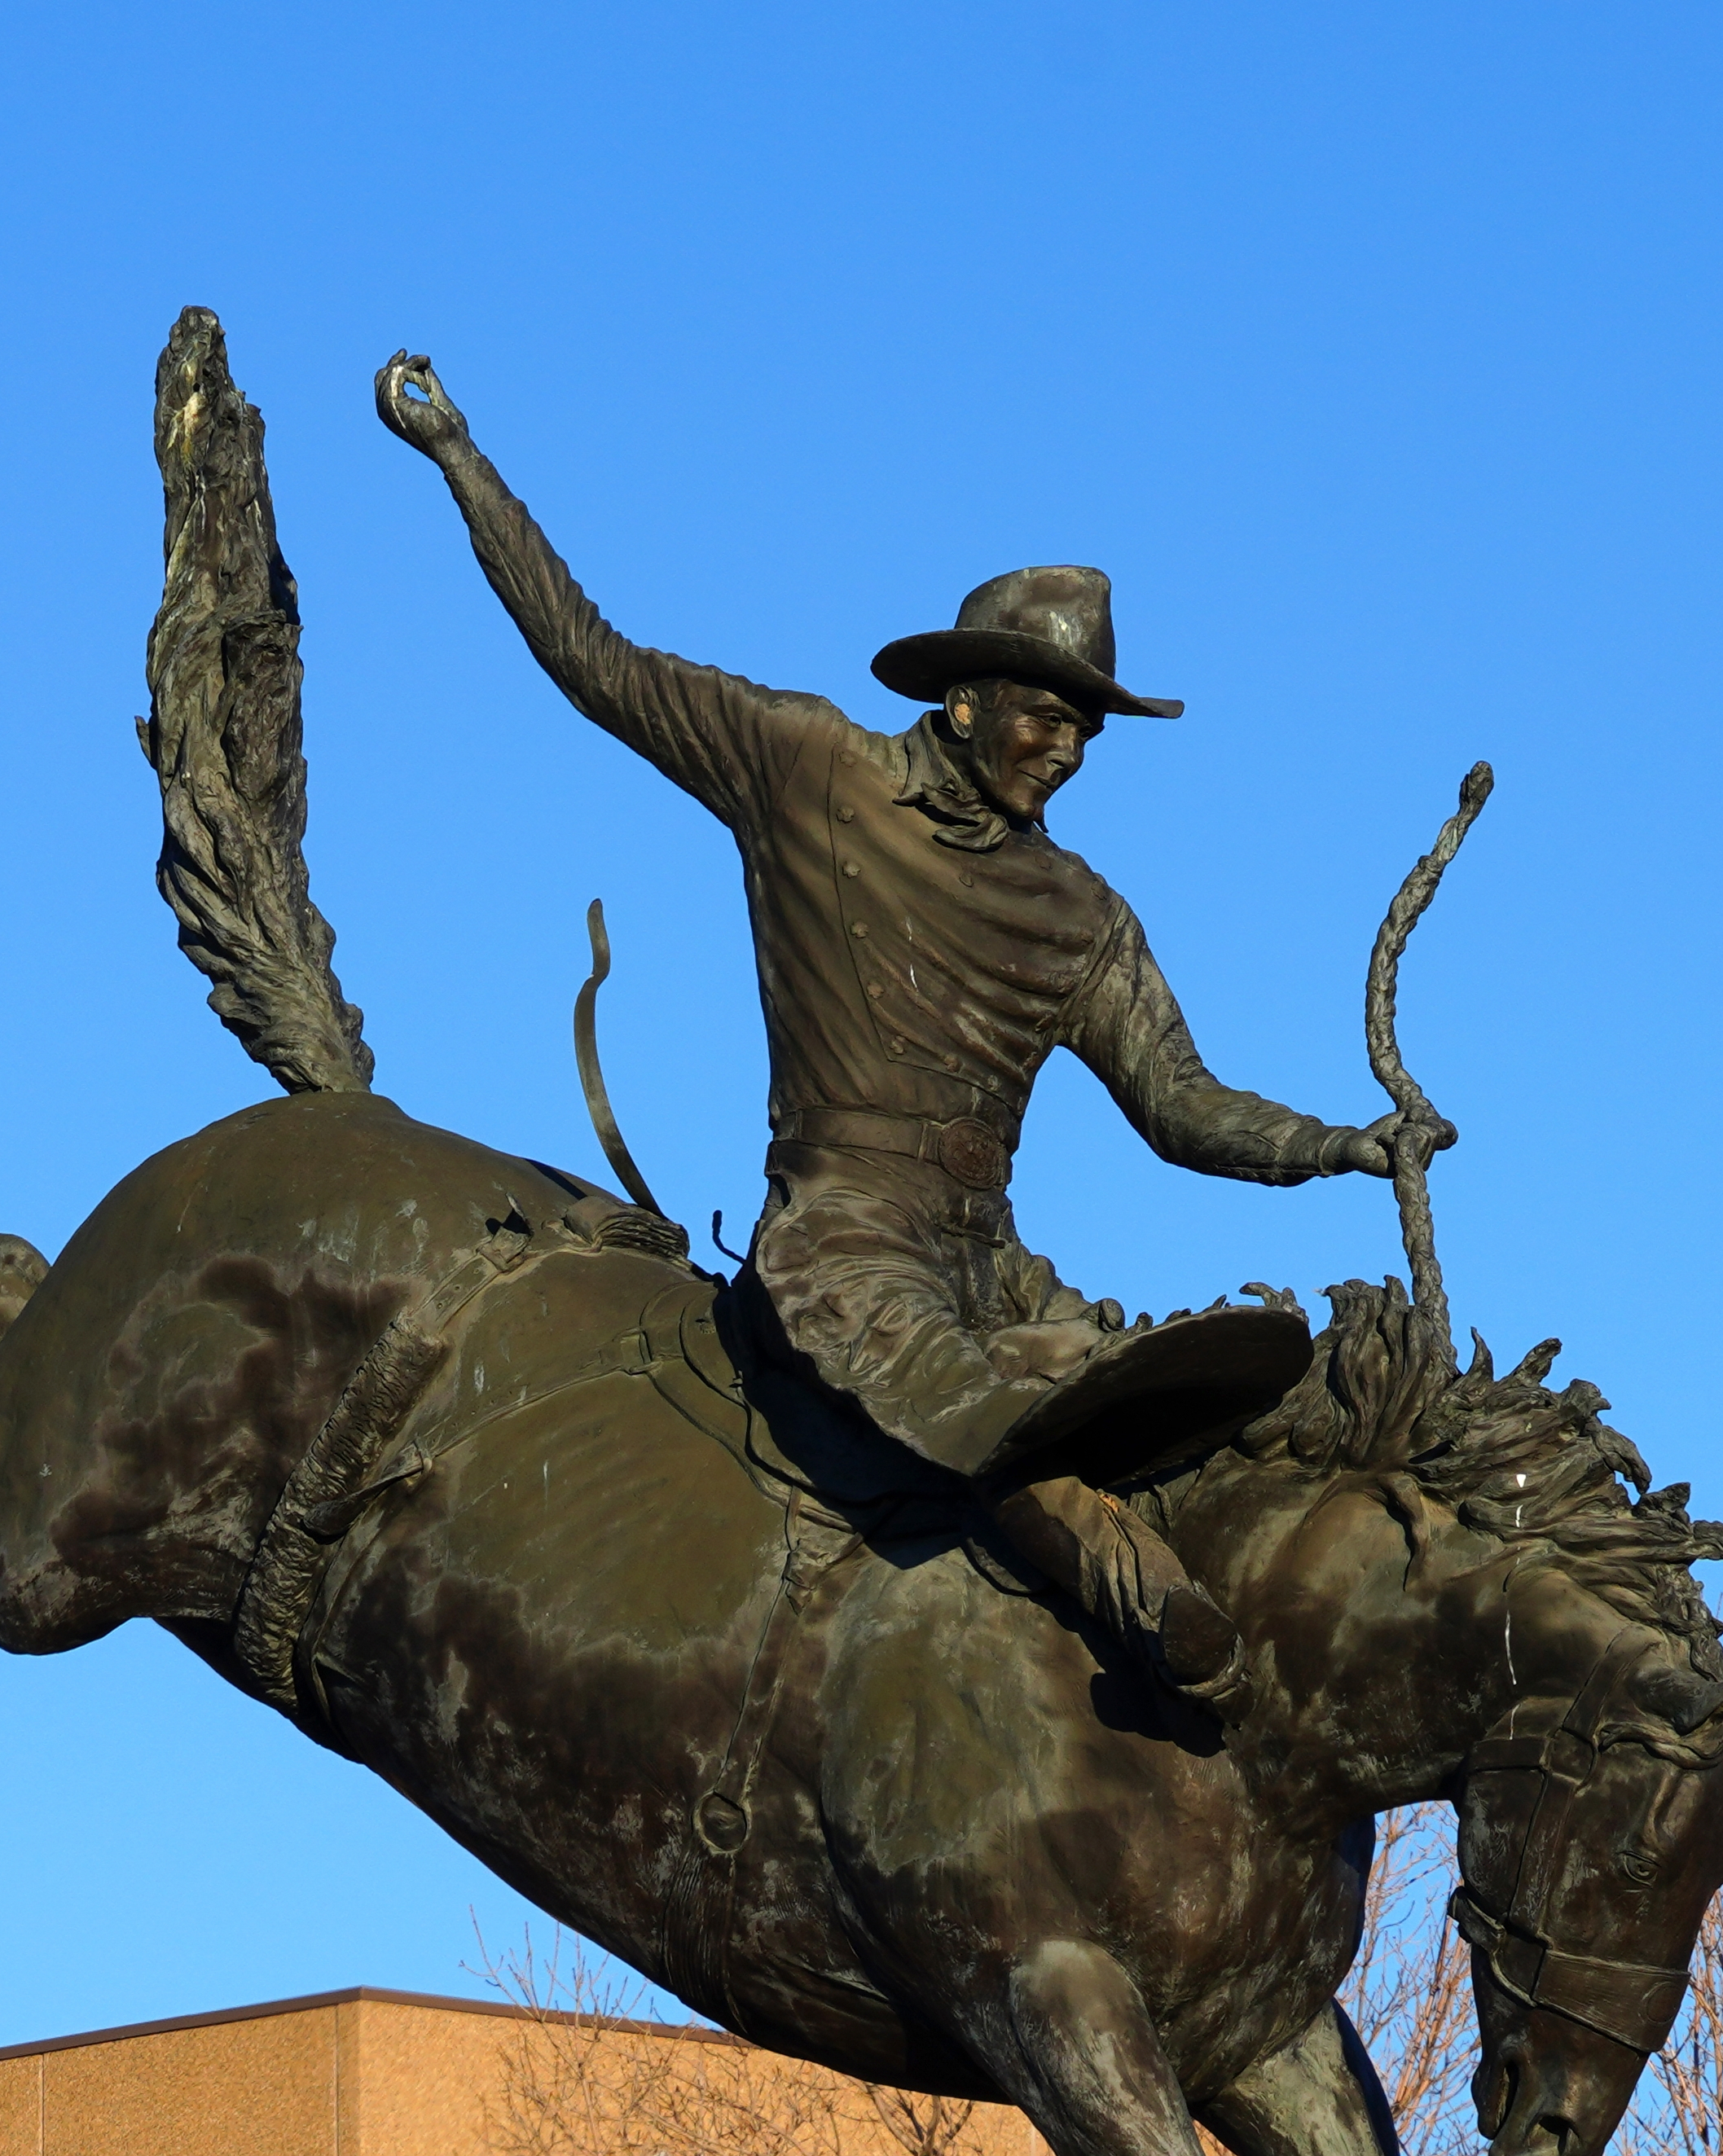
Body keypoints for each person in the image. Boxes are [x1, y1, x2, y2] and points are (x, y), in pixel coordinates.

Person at [375, 353, 1426, 1691]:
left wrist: (1347, 1143)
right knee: (1011, 1430)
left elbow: (1180, 1104)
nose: (1066, 751)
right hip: (846, 1248)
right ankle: (1176, 1638)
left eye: (1088, 734)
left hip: (993, 1263)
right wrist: (465, 462)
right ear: (965, 699)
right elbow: (597, 662)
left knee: (1168, 1411)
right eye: (1047, 719)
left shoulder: (1080, 913)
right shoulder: (810, 769)